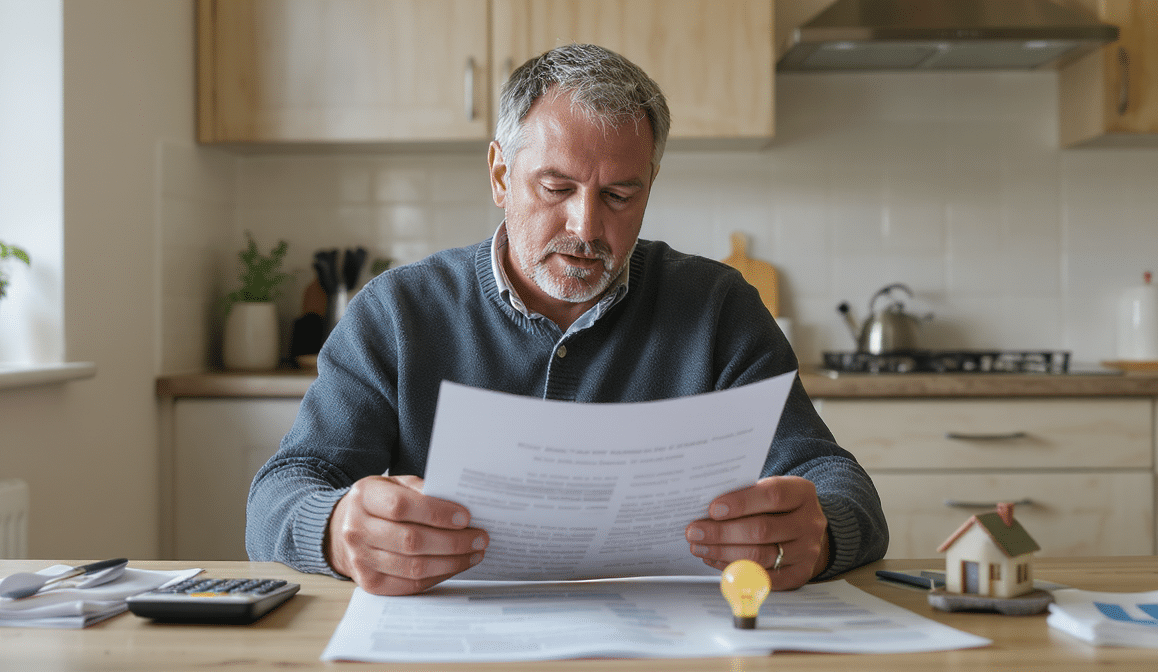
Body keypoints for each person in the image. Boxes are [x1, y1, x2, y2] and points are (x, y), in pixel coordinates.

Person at [247, 43, 887, 596]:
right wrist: (336, 528)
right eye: (556, 188)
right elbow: (282, 490)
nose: (586, 227)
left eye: (619, 195)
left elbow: (836, 482)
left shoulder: (719, 308)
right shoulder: (397, 311)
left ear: (650, 186)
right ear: (501, 174)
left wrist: (822, 532)